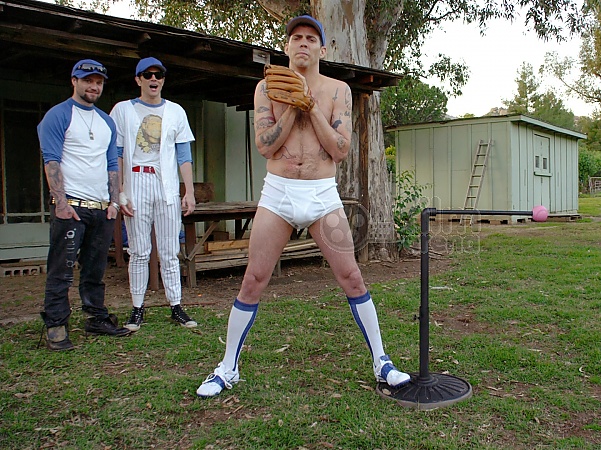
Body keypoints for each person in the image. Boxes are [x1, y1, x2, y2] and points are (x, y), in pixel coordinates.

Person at [196, 15, 410, 397]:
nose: (303, 43)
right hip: (278, 193)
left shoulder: (338, 90)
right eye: (296, 37)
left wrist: (310, 106)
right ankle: (227, 368)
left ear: (322, 49)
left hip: (322, 194)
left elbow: (340, 149)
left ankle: (382, 362)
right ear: (287, 46)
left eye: (311, 38)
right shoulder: (267, 88)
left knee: (352, 277)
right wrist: (292, 106)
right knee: (253, 279)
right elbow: (265, 146)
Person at [37, 59, 133, 350]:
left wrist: (114, 202)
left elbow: (111, 164)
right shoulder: (58, 115)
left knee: (95, 268)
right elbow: (51, 160)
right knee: (62, 268)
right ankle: (56, 324)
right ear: (74, 81)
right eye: (88, 80)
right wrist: (60, 201)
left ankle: (95, 317)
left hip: (101, 207)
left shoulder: (106, 122)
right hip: (71, 205)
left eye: (99, 82)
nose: (94, 86)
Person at [110, 57, 197, 331]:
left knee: (170, 249)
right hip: (136, 182)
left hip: (166, 184)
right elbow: (117, 153)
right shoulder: (123, 110)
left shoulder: (175, 111)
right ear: (138, 79)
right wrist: (119, 191)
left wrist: (189, 191)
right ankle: (137, 307)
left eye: (158, 75)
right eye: (147, 75)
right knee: (139, 250)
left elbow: (183, 155)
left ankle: (176, 305)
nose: (153, 79)